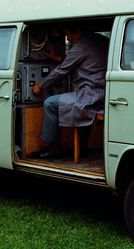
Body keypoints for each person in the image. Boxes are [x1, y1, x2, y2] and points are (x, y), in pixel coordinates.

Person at [31, 25, 108, 159]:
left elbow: (62, 70)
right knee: (85, 109)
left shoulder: (80, 46)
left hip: (89, 95)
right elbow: (87, 60)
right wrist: (58, 58)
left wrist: (41, 85)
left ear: (75, 31)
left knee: (50, 103)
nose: (67, 38)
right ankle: (82, 147)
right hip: (104, 96)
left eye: (67, 34)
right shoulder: (101, 39)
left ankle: (54, 148)